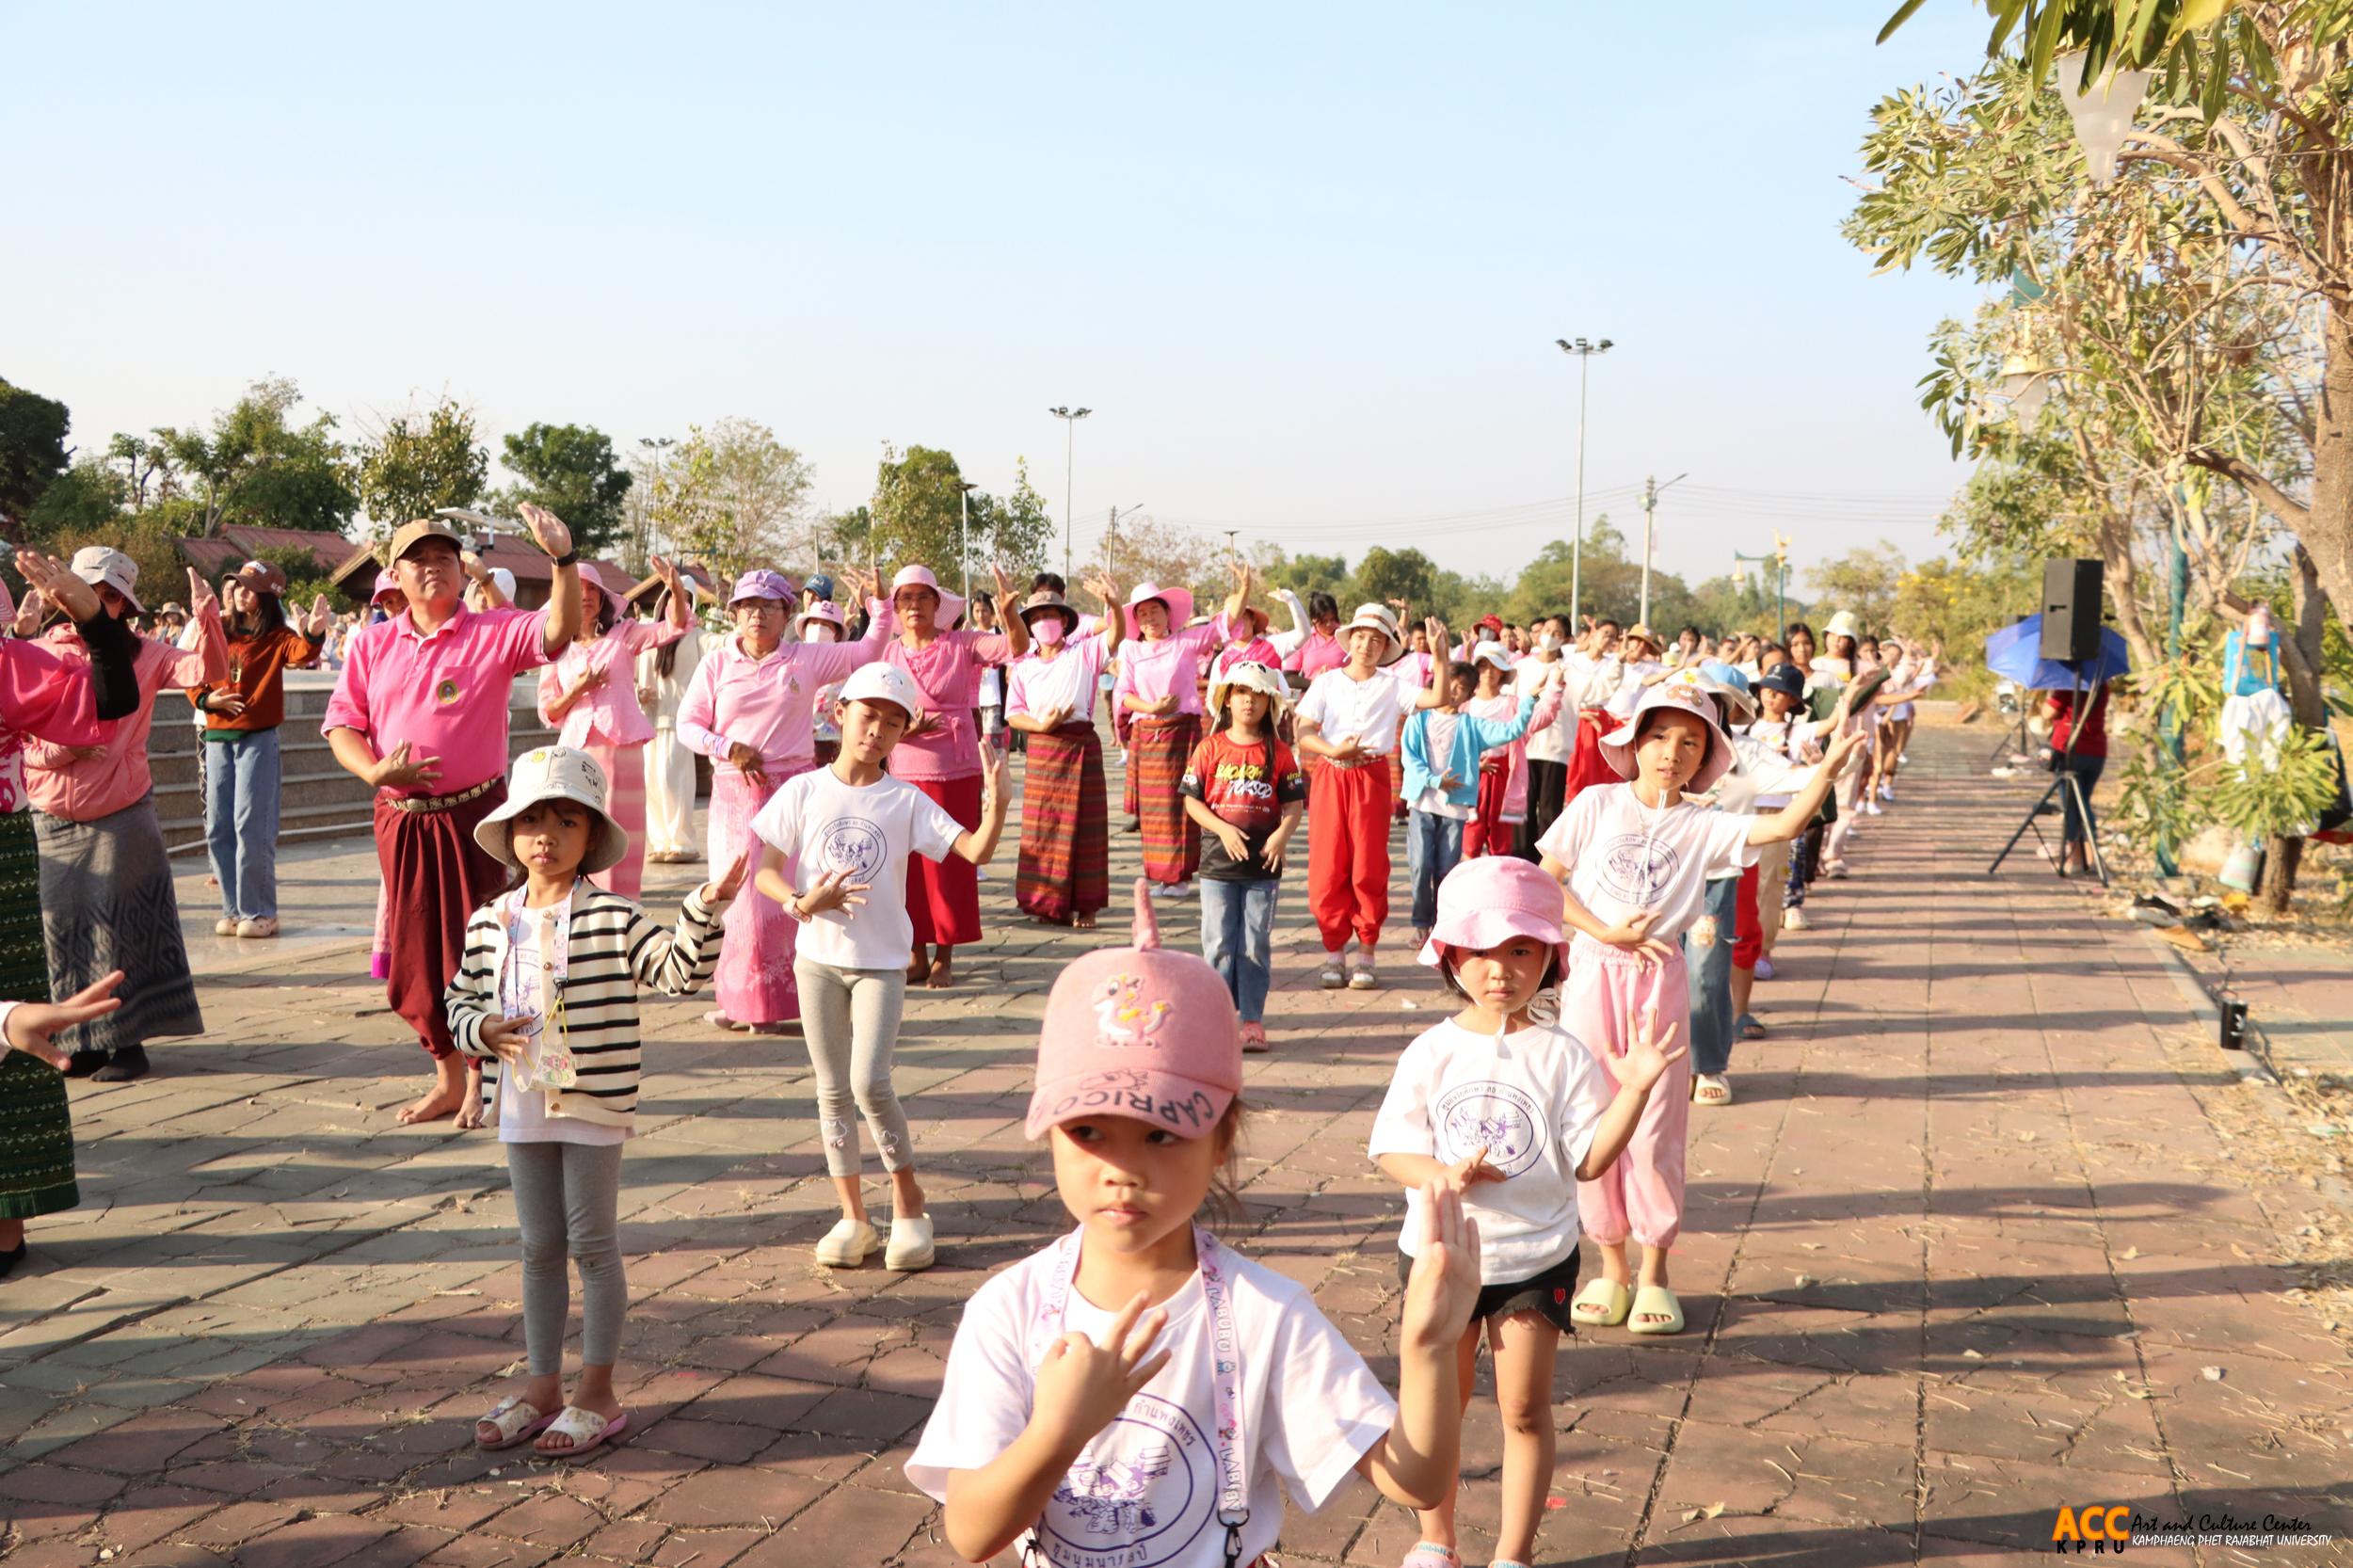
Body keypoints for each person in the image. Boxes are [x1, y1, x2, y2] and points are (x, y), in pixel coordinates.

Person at [904, 881, 1485, 1568]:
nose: (1122, 1169)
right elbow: (971, 1533)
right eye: (1089, 1130)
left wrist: (1427, 1352)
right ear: (1050, 1136)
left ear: (1222, 1138)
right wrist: (1058, 1431)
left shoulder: (1264, 1313)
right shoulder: (1010, 1310)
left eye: (1160, 1135)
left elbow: (1410, 1479)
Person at [1370, 855, 1686, 1568]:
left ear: (1552, 957)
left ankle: (1514, 1554)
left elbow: (1590, 1160)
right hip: (1442, 1255)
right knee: (1437, 1410)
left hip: (1534, 1260)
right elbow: (1392, 1148)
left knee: (1522, 1410)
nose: (1500, 969)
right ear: (1450, 955)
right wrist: (1443, 1176)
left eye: (1522, 949)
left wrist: (1633, 1091)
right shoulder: (1430, 1052)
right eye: (1481, 951)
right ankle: (1436, 1541)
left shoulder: (1565, 1055)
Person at [1536, 684, 1860, 1335]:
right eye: (1659, 737)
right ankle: (1611, 1267)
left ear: (1708, 754)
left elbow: (1782, 826)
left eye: (1691, 742)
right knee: (1592, 1120)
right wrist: (1601, 931)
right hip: (1593, 976)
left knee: (1655, 1127)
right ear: (1634, 742)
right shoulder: (1596, 804)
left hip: (1660, 980)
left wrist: (1822, 776)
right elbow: (1545, 878)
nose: (1672, 753)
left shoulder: (1704, 821)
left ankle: (1654, 1272)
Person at [446, 746, 739, 1458]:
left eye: (565, 821)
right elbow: (458, 1000)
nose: (545, 835)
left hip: (593, 1102)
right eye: (531, 820)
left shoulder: (612, 915)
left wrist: (703, 908)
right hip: (522, 1102)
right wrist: (481, 1030)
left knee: (592, 1246)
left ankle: (597, 1392)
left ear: (590, 838)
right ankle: (542, 1384)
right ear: (511, 833)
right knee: (538, 1247)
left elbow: (675, 974)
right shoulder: (492, 920)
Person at [323, 506, 583, 1126]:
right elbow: (342, 724)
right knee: (416, 956)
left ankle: (481, 1079)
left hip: (477, 818)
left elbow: (559, 633)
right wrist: (374, 772)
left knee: (483, 951)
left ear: (460, 570)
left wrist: (563, 560)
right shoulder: (372, 642)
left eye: (443, 557)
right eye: (418, 559)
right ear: (396, 574)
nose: (432, 567)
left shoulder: (491, 631)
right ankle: (443, 1073)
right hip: (402, 819)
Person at [750, 662, 1009, 1271]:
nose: (878, 730)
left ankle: (910, 1204)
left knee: (870, 1083)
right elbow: (765, 869)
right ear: (839, 713)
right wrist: (798, 902)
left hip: (882, 964)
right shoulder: (804, 791)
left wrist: (996, 805)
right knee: (831, 1090)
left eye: (894, 722)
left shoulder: (905, 800)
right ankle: (853, 1217)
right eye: (869, 715)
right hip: (817, 961)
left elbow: (973, 851)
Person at [26, 551, 228, 1084]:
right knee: (64, 932)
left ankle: (128, 1044)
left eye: (112, 594)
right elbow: (23, 739)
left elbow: (206, 671)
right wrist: (62, 752)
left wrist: (206, 617)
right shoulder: (40, 652)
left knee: (120, 931)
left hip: (121, 813)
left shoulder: (148, 655)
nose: (99, 601)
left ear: (124, 605)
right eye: (91, 589)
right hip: (50, 813)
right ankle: (80, 1042)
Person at [0, 549, 142, 1275]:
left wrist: (95, 624)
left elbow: (110, 700)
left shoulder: (5, 664)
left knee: (13, 1038)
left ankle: (7, 1224)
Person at [677, 568, 888, 1034]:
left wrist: (880, 605)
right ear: (734, 614)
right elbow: (687, 725)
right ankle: (738, 1000)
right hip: (734, 792)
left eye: (768, 606)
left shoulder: (805, 659)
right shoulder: (716, 664)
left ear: (786, 614)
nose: (757, 614)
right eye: (748, 606)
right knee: (735, 897)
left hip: (792, 790)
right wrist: (727, 747)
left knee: (785, 897)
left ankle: (781, 1003)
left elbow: (869, 651)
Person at [881, 562, 1027, 988]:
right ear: (897, 606)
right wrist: (907, 730)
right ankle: (916, 952)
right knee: (907, 867)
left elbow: (1014, 649)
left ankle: (946, 953)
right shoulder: (889, 653)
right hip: (903, 768)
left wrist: (1009, 613)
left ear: (936, 604)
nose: (913, 606)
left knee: (948, 862)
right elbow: (873, 705)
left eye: (922, 597)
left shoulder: (962, 644)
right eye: (905, 598)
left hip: (954, 768)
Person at [1294, 603, 1437, 990]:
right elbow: (1303, 728)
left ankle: (1366, 951)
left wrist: (1439, 653)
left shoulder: (1393, 685)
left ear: (1386, 646)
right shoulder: (1326, 682)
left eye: (1377, 640)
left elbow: (1435, 698)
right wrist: (1330, 750)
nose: (1367, 645)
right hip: (1331, 773)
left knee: (1368, 867)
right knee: (1327, 866)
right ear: (1350, 638)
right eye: (1361, 636)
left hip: (1372, 777)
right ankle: (1333, 951)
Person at [188, 560, 330, 938]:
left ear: (268, 598)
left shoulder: (277, 637)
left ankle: (261, 911)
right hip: (217, 738)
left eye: (250, 587)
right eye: (237, 585)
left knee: (251, 826)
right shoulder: (217, 630)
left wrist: (315, 632)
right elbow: (192, 670)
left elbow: (302, 653)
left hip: (257, 739)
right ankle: (233, 909)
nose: (240, 592)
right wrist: (205, 701)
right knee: (218, 826)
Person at [536, 558, 693, 901]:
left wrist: (676, 588)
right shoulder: (557, 650)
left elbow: (674, 626)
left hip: (621, 749)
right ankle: (578, 904)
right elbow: (548, 710)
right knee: (579, 825)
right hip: (578, 752)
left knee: (622, 831)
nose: (587, 596)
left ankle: (623, 907)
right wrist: (578, 689)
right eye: (580, 589)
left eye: (593, 589)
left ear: (603, 599)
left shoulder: (624, 635)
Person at [1179, 661, 1304, 1052]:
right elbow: (1191, 801)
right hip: (1217, 863)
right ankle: (1215, 1019)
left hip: (1263, 866)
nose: (1249, 701)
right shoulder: (1209, 748)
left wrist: (1282, 836)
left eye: (1258, 695)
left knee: (1254, 944)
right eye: (1241, 693)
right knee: (1217, 941)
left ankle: (1251, 1020)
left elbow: (1294, 806)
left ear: (1270, 704)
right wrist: (1222, 828)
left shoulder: (1280, 753)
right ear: (1227, 700)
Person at [1112, 568, 1252, 900]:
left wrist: (1244, 588)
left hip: (1181, 734)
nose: (1149, 618)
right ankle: (1160, 874)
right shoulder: (1130, 650)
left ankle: (1181, 876)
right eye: (1142, 613)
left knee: (1182, 803)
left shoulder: (1186, 642)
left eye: (1154, 611)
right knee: (1153, 810)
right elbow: (1123, 693)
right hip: (1148, 733)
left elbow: (1224, 624)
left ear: (1167, 613)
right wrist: (1151, 706)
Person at [1401, 636, 1542, 946]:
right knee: (1420, 864)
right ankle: (1421, 922)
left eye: (1462, 688)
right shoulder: (1419, 720)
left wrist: (1530, 699)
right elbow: (1408, 757)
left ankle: (1443, 923)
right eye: (1450, 683)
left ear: (1469, 694)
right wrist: (1435, 781)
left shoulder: (1471, 725)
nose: (1454, 691)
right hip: (1422, 804)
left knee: (1447, 868)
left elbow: (1512, 731)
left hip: (1454, 809)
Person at [1005, 578, 1126, 929]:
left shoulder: (1084, 652)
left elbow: (1115, 637)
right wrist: (1041, 726)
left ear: (1065, 621)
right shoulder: (1024, 665)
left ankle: (1086, 906)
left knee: (1085, 829)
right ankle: (1046, 902)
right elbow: (1014, 713)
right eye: (1038, 616)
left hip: (1080, 745)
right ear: (1030, 625)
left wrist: (1115, 605)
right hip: (1043, 748)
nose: (1045, 622)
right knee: (1044, 828)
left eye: (1052, 615)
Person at [1462, 641, 1562, 861]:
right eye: (1482, 666)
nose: (1488, 672)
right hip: (1472, 778)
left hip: (1504, 777)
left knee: (1501, 842)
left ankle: (1500, 889)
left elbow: (1541, 717)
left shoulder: (1513, 704)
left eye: (1494, 667)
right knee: (1470, 838)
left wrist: (1555, 689)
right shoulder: (1465, 705)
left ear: (1503, 672)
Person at [635, 576, 707, 865]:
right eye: (674, 597)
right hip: (651, 721)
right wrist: (640, 693)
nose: (679, 604)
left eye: (685, 599)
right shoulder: (652, 637)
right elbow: (641, 677)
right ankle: (661, 840)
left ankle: (682, 841)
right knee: (652, 783)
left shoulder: (697, 637)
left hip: (680, 721)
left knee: (673, 780)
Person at [1513, 615, 1573, 859]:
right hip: (1524, 747)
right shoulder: (1522, 666)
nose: (1550, 635)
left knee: (1549, 813)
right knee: (1523, 810)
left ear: (1567, 639)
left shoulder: (1571, 668)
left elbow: (1600, 688)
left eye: (1557, 633)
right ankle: (1521, 863)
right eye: (1547, 629)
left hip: (1556, 749)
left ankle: (1545, 867)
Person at [2047, 678, 2111, 876]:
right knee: (2083, 802)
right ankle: (2086, 857)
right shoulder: (2102, 684)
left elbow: (2048, 712)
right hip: (2096, 752)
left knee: (2072, 805)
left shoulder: (2067, 684)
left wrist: (2049, 693)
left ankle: (2080, 859)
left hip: (2071, 749)